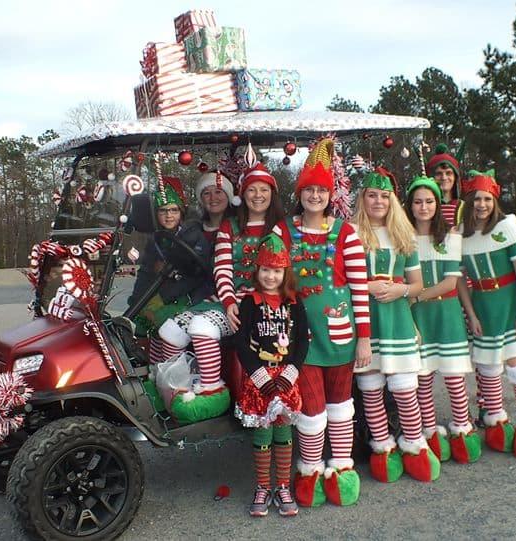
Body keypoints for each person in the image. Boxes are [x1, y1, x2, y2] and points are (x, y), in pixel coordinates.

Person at [272, 137, 370, 507]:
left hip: (341, 335)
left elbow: (359, 288)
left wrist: (364, 338)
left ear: (331, 194)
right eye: (309, 190)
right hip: (300, 337)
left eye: (321, 190)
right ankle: (310, 469)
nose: (315, 196)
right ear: (300, 193)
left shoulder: (346, 232)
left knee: (341, 403)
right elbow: (272, 280)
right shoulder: (283, 231)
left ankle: (342, 467)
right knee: (311, 408)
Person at [157, 154, 285, 424]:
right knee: (169, 330)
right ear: (242, 194)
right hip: (228, 301)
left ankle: (212, 390)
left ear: (272, 194)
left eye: (263, 190)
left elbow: (283, 275)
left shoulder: (281, 228)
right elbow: (223, 269)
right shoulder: (231, 226)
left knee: (203, 327)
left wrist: (251, 301)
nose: (257, 195)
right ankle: (174, 388)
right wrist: (228, 302)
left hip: (264, 304)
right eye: (251, 190)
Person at [351, 168, 440, 483]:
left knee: (404, 389)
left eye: (384, 196)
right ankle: (383, 448)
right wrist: (367, 287)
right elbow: (341, 281)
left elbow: (417, 285)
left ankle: (415, 446)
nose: (378, 201)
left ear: (392, 201)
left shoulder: (405, 235)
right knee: (371, 388)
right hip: (366, 322)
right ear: (363, 198)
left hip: (399, 319)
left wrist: (399, 290)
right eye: (372, 195)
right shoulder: (350, 234)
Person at [458, 170, 516, 459]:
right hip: (484, 307)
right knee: (487, 369)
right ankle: (496, 420)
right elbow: (459, 279)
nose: (481, 205)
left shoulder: (507, 227)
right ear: (468, 202)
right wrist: (471, 315)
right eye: (476, 199)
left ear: (494, 200)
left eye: (486, 199)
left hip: (510, 304)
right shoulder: (460, 235)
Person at [404, 175, 482, 464]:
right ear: (409, 205)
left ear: (438, 204)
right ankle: (429, 434)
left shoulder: (450, 236)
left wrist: (417, 296)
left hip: (445, 314)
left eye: (429, 201)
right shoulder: (404, 239)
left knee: (453, 378)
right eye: (418, 202)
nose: (424, 207)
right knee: (423, 379)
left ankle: (462, 430)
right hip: (418, 317)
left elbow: (451, 282)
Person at [233, 235, 308, 518]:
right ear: (258, 271)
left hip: (286, 378)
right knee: (263, 431)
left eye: (276, 271)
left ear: (285, 272)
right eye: (265, 270)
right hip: (260, 379)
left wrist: (291, 372)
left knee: (283, 432)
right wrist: (260, 376)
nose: (270, 276)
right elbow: (241, 342)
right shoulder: (250, 302)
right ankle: (263, 486)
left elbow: (302, 341)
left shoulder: (293, 302)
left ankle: (282, 486)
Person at [128, 176, 214, 356]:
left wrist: (164, 297)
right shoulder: (156, 241)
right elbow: (145, 273)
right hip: (164, 294)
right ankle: (155, 369)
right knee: (138, 321)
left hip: (192, 296)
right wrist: (136, 300)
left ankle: (173, 373)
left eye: (174, 210)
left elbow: (198, 274)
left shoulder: (193, 236)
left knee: (161, 320)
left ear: (181, 212)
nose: (169, 215)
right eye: (163, 211)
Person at [425, 143, 463, 226]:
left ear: (455, 177)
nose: (444, 177)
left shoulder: (465, 207)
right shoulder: (424, 208)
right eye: (438, 173)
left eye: (448, 173)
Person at [196, 170, 239, 242]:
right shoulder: (192, 230)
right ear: (201, 200)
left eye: (218, 192)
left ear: (228, 197)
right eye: (207, 193)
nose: (213, 198)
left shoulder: (239, 228)